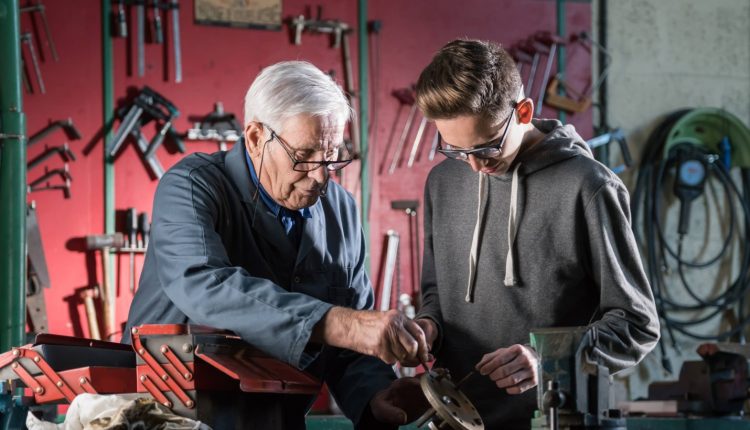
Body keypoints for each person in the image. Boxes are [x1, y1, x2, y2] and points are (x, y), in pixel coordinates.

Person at [124, 61, 428, 429]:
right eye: (303, 157)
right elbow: (204, 284)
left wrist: (376, 395)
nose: (320, 176)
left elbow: (351, 347)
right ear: (255, 137)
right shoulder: (191, 186)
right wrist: (341, 324)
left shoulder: (340, 210)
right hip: (171, 419)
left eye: (331, 156)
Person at [410, 39, 660, 429]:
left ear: (523, 112)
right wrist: (427, 326)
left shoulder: (589, 186)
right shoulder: (443, 182)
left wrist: (546, 358)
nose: (474, 166)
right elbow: (437, 295)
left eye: (487, 148)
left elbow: (636, 324)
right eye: (455, 149)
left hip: (558, 420)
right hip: (458, 419)